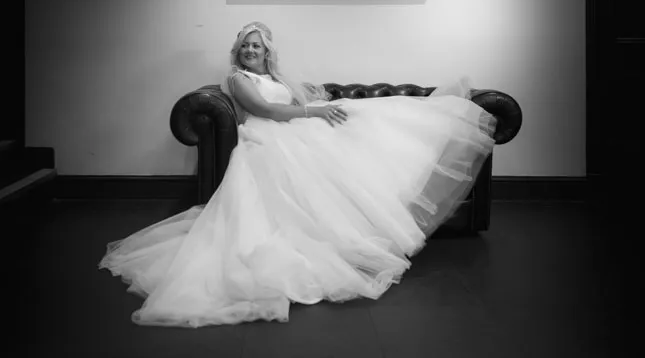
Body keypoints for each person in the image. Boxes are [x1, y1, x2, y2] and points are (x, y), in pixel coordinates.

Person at [99, 21, 497, 328]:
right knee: (321, 149)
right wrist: (314, 113)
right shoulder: (240, 80)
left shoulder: (276, 78)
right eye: (246, 46)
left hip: (292, 129)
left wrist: (320, 105)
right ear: (238, 52)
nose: (251, 50)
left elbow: (292, 101)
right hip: (266, 136)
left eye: (257, 46)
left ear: (267, 51)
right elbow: (269, 112)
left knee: (364, 125)